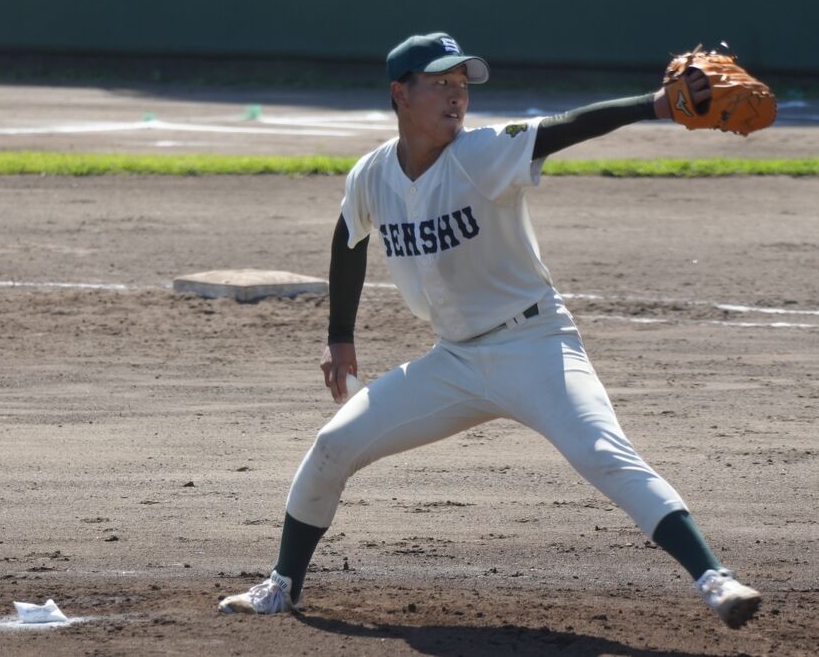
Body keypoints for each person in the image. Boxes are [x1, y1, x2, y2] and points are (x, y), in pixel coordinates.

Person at [217, 32, 761, 628]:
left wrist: (656, 105)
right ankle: (282, 585)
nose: (457, 96)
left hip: (536, 346)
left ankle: (716, 579)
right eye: (441, 83)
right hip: (452, 363)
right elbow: (349, 237)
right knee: (332, 446)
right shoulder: (373, 173)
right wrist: (339, 334)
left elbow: (564, 127)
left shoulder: (480, 154)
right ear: (401, 93)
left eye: (462, 85)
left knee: (604, 453)